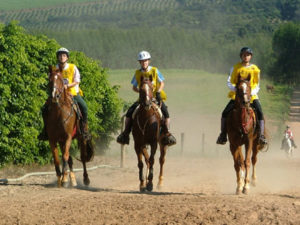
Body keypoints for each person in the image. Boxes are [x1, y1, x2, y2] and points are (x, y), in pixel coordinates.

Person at [116, 50, 176, 146]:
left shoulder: (155, 70)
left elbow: (162, 83)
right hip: (143, 99)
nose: (144, 63)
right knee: (129, 113)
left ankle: (167, 134)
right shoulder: (137, 73)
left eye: (146, 61)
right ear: (140, 62)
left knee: (166, 113)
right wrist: (142, 93)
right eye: (142, 61)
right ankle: (125, 133)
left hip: (156, 97)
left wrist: (159, 92)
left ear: (149, 61)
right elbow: (134, 87)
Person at [216, 47, 267, 145]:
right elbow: (229, 81)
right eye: (244, 55)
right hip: (237, 96)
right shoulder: (235, 67)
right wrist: (238, 90)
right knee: (225, 113)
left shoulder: (255, 69)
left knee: (260, 112)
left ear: (251, 56)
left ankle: (261, 136)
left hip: (251, 97)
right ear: (241, 56)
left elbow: (257, 84)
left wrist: (250, 93)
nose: (246, 56)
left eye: (248, 55)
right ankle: (223, 135)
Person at [38, 47, 89, 140]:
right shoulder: (55, 68)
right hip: (58, 94)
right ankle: (45, 130)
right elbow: (51, 80)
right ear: (58, 57)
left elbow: (77, 81)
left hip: (72, 93)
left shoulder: (73, 67)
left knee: (84, 107)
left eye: (64, 55)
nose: (62, 57)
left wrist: (67, 86)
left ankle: (84, 129)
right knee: (44, 108)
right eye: (60, 55)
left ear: (67, 58)